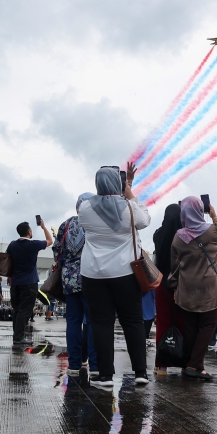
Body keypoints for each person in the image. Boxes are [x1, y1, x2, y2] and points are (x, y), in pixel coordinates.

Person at [79, 164, 152, 388]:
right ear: (117, 183)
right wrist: (129, 191)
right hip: (125, 272)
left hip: (93, 274)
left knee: (101, 324)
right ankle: (140, 372)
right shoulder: (129, 207)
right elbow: (145, 220)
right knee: (133, 322)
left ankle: (106, 376)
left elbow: (88, 221)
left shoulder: (85, 208)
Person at [169, 195, 217, 381]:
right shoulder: (211, 231)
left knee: (191, 327)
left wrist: (174, 287)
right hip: (208, 288)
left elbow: (174, 266)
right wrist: (214, 216)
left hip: (186, 289)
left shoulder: (179, 237)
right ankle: (194, 365)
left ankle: (194, 364)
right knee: (208, 324)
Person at [52, 194, 98, 376]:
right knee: (92, 321)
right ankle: (95, 365)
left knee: (73, 321)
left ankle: (73, 364)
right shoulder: (95, 223)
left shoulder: (66, 224)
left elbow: (57, 250)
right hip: (91, 277)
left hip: (69, 279)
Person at [6, 218, 53, 345]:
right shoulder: (33, 245)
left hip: (15, 283)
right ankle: (19, 338)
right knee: (24, 311)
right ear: (29, 232)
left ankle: (17, 335)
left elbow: (8, 261)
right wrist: (43, 227)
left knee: (17, 310)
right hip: (29, 283)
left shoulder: (12, 245)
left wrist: (9, 276)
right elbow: (50, 241)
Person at [152, 203, 185, 373]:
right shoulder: (185, 236)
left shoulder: (158, 235)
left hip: (162, 284)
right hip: (182, 285)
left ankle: (161, 365)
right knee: (183, 322)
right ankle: (183, 361)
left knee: (163, 322)